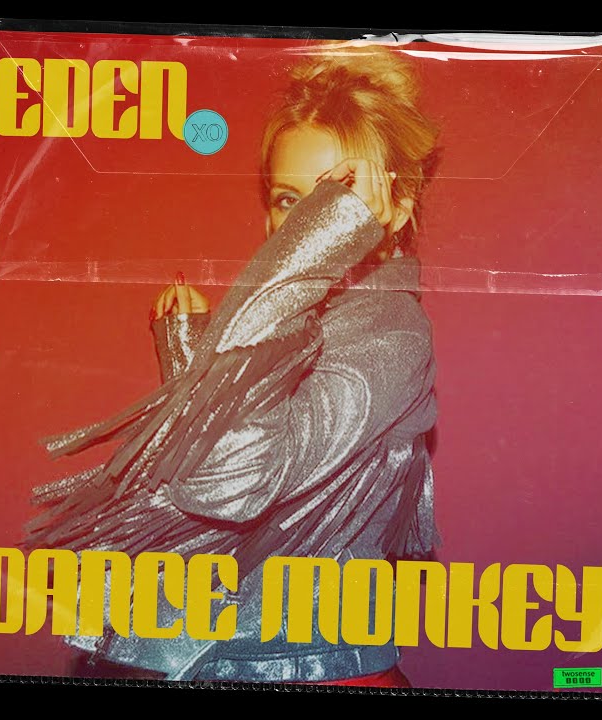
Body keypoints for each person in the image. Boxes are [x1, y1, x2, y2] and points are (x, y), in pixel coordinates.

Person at [24, 46, 442, 686]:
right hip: (215, 651)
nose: (307, 222)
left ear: (399, 204)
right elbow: (196, 478)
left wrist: (300, 260)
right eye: (288, 199)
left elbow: (233, 486)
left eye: (336, 197)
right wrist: (190, 350)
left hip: (306, 668)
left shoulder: (391, 332)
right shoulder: (298, 315)